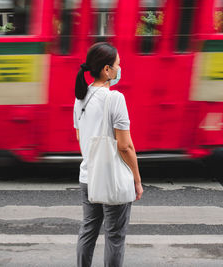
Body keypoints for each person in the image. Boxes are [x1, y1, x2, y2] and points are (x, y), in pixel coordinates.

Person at [73, 42, 143, 267]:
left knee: (88, 231)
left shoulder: (80, 99)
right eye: (117, 65)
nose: (119, 69)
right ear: (106, 70)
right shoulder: (115, 99)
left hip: (88, 176)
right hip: (112, 178)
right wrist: (137, 180)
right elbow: (125, 147)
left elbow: (80, 137)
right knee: (114, 236)